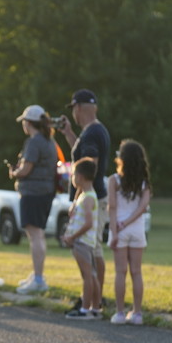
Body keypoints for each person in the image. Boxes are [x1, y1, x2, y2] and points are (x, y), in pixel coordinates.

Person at [57, 89, 110, 310]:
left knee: (91, 250)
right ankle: (94, 298)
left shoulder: (91, 134)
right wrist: (69, 133)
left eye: (74, 109)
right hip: (95, 197)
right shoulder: (96, 131)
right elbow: (82, 158)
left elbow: (88, 169)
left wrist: (77, 199)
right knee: (93, 248)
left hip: (91, 199)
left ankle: (93, 300)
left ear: (78, 108)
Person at [10, 104, 58, 294]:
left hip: (33, 193)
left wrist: (14, 173)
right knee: (38, 234)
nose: (23, 125)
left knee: (35, 235)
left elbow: (26, 170)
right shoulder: (49, 141)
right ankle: (38, 275)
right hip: (46, 191)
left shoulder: (34, 142)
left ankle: (38, 279)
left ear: (29, 123)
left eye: (24, 122)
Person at [108, 140, 152, 325]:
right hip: (137, 230)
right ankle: (137, 313)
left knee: (120, 272)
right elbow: (142, 208)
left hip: (119, 229)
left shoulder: (114, 180)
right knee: (136, 272)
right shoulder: (144, 183)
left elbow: (112, 207)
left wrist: (115, 230)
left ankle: (119, 313)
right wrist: (128, 222)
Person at [61, 158, 101, 320]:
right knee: (91, 275)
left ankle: (85, 309)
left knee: (87, 276)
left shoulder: (88, 198)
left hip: (82, 242)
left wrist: (72, 237)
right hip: (84, 242)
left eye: (73, 175)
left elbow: (88, 223)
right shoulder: (85, 195)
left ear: (80, 177)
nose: (72, 178)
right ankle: (96, 308)